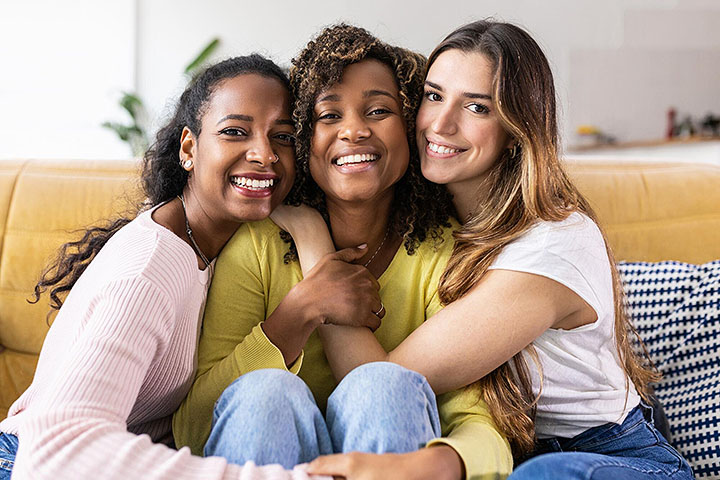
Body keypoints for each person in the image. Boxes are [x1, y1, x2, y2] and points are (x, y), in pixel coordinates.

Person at [283, 21, 695, 480]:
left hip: (606, 456)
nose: (440, 124)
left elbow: (380, 378)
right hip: (503, 457)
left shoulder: (553, 242)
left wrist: (312, 238)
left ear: (517, 128)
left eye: (477, 107)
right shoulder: (433, 221)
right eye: (434, 96)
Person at [172, 24, 513, 480]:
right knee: (265, 394)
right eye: (329, 116)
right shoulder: (258, 243)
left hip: (392, 458)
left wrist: (441, 461)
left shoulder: (447, 253)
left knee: (383, 385)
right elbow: (193, 425)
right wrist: (296, 315)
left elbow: (481, 428)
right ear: (304, 137)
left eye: (378, 110)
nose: (353, 130)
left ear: (410, 126)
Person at [0, 55, 325, 480]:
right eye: (234, 132)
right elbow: (59, 451)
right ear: (189, 148)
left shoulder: (217, 243)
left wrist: (308, 228)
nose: (265, 154)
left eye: (281, 136)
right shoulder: (150, 269)